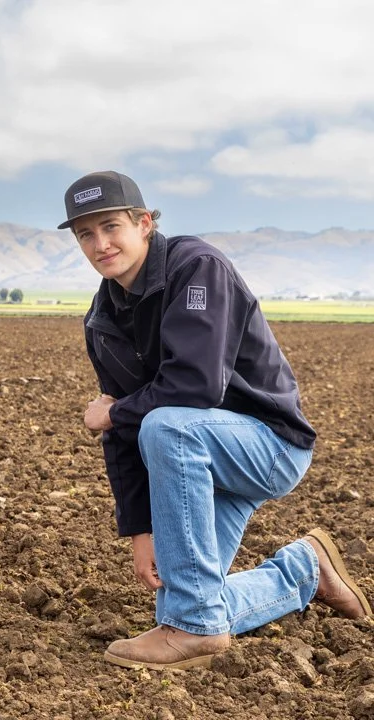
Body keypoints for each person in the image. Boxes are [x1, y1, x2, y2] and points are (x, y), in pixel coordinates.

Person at [61, 171, 371, 670]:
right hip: (200, 458)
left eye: (111, 226)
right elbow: (119, 434)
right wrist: (141, 530)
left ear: (144, 223)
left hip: (268, 444)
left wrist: (114, 411)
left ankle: (195, 627)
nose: (100, 244)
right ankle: (304, 571)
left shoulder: (197, 267)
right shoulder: (103, 319)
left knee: (165, 425)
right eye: (85, 234)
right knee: (186, 606)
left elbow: (196, 385)